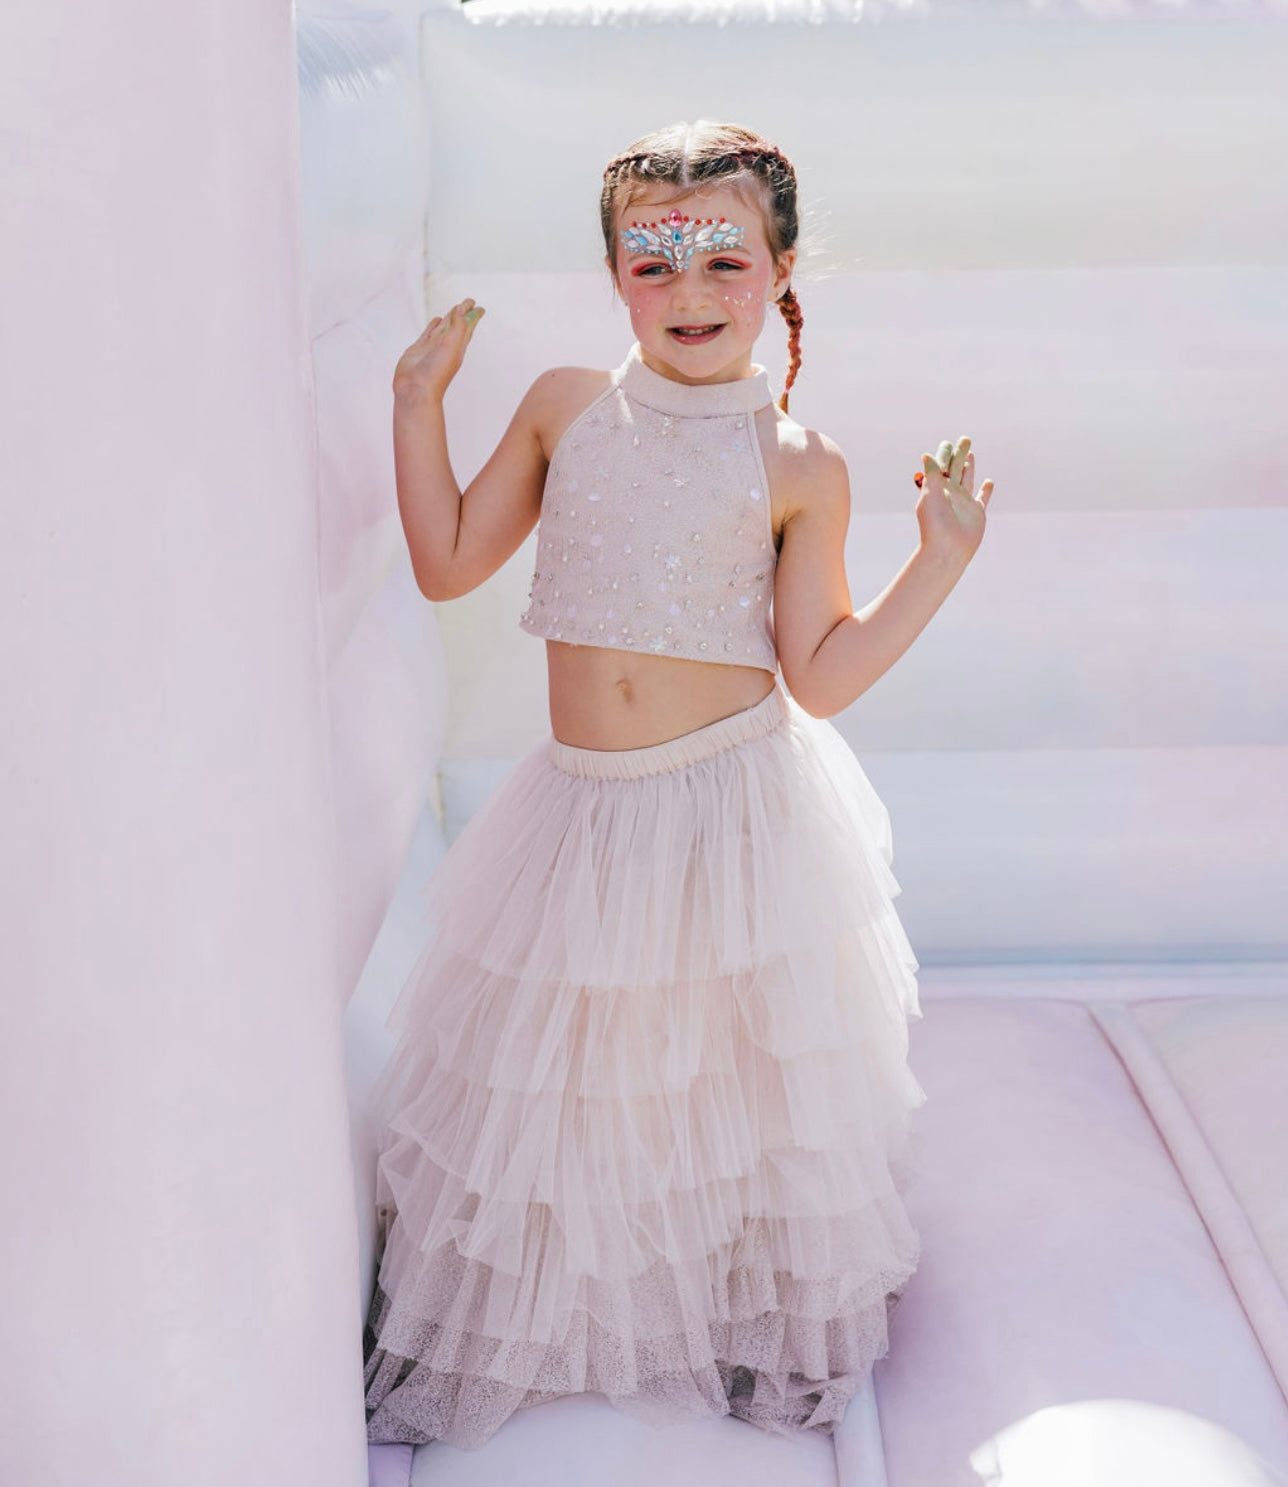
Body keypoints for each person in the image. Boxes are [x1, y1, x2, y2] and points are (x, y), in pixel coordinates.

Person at [362, 118, 993, 1452]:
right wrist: (416, 405)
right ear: (613, 275)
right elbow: (448, 560)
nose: (689, 291)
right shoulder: (563, 408)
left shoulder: (799, 461)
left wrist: (936, 560)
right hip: (581, 810)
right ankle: (558, 1320)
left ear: (781, 268)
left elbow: (819, 673)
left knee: (727, 1084)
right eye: (653, 264)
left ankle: (731, 1316)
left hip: (731, 811)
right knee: (567, 1076)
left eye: (724, 260)